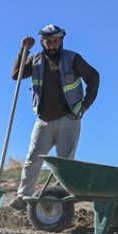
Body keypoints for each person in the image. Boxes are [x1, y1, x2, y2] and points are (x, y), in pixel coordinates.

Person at [10, 24, 100, 211]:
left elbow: (94, 76)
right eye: (48, 42)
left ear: (61, 40)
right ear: (42, 42)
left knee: (65, 164)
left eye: (55, 41)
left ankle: (61, 201)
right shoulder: (35, 59)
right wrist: (23, 51)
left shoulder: (72, 58)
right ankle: (24, 197)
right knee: (32, 159)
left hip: (69, 119)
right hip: (43, 120)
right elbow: (16, 75)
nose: (51, 45)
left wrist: (85, 105)